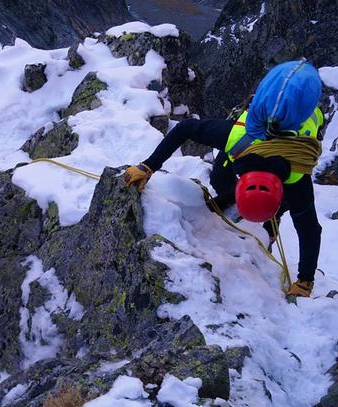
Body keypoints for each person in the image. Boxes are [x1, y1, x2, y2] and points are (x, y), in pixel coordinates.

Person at [124, 60, 324, 298]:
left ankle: (273, 219)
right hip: (285, 110)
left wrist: (150, 166)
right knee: (220, 179)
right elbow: (310, 229)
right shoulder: (243, 142)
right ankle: (240, 203)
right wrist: (148, 166)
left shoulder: (295, 172)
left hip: (291, 105)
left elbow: (186, 128)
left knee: (285, 197)